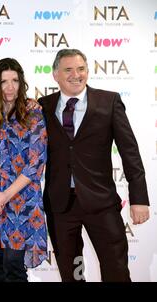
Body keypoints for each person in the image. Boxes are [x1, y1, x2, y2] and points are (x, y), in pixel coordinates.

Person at [39, 48, 150, 282]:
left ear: (88, 71)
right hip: (60, 205)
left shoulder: (108, 101)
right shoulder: (43, 106)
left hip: (101, 202)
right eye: (68, 69)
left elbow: (130, 152)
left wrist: (139, 198)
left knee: (116, 270)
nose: (76, 75)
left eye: (81, 69)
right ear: (55, 74)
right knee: (72, 274)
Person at [0, 58, 48, 282]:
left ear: (21, 83)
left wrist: (5, 196)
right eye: (4, 81)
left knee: (14, 267)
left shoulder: (33, 115)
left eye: (15, 80)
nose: (10, 87)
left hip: (20, 202)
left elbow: (36, 163)